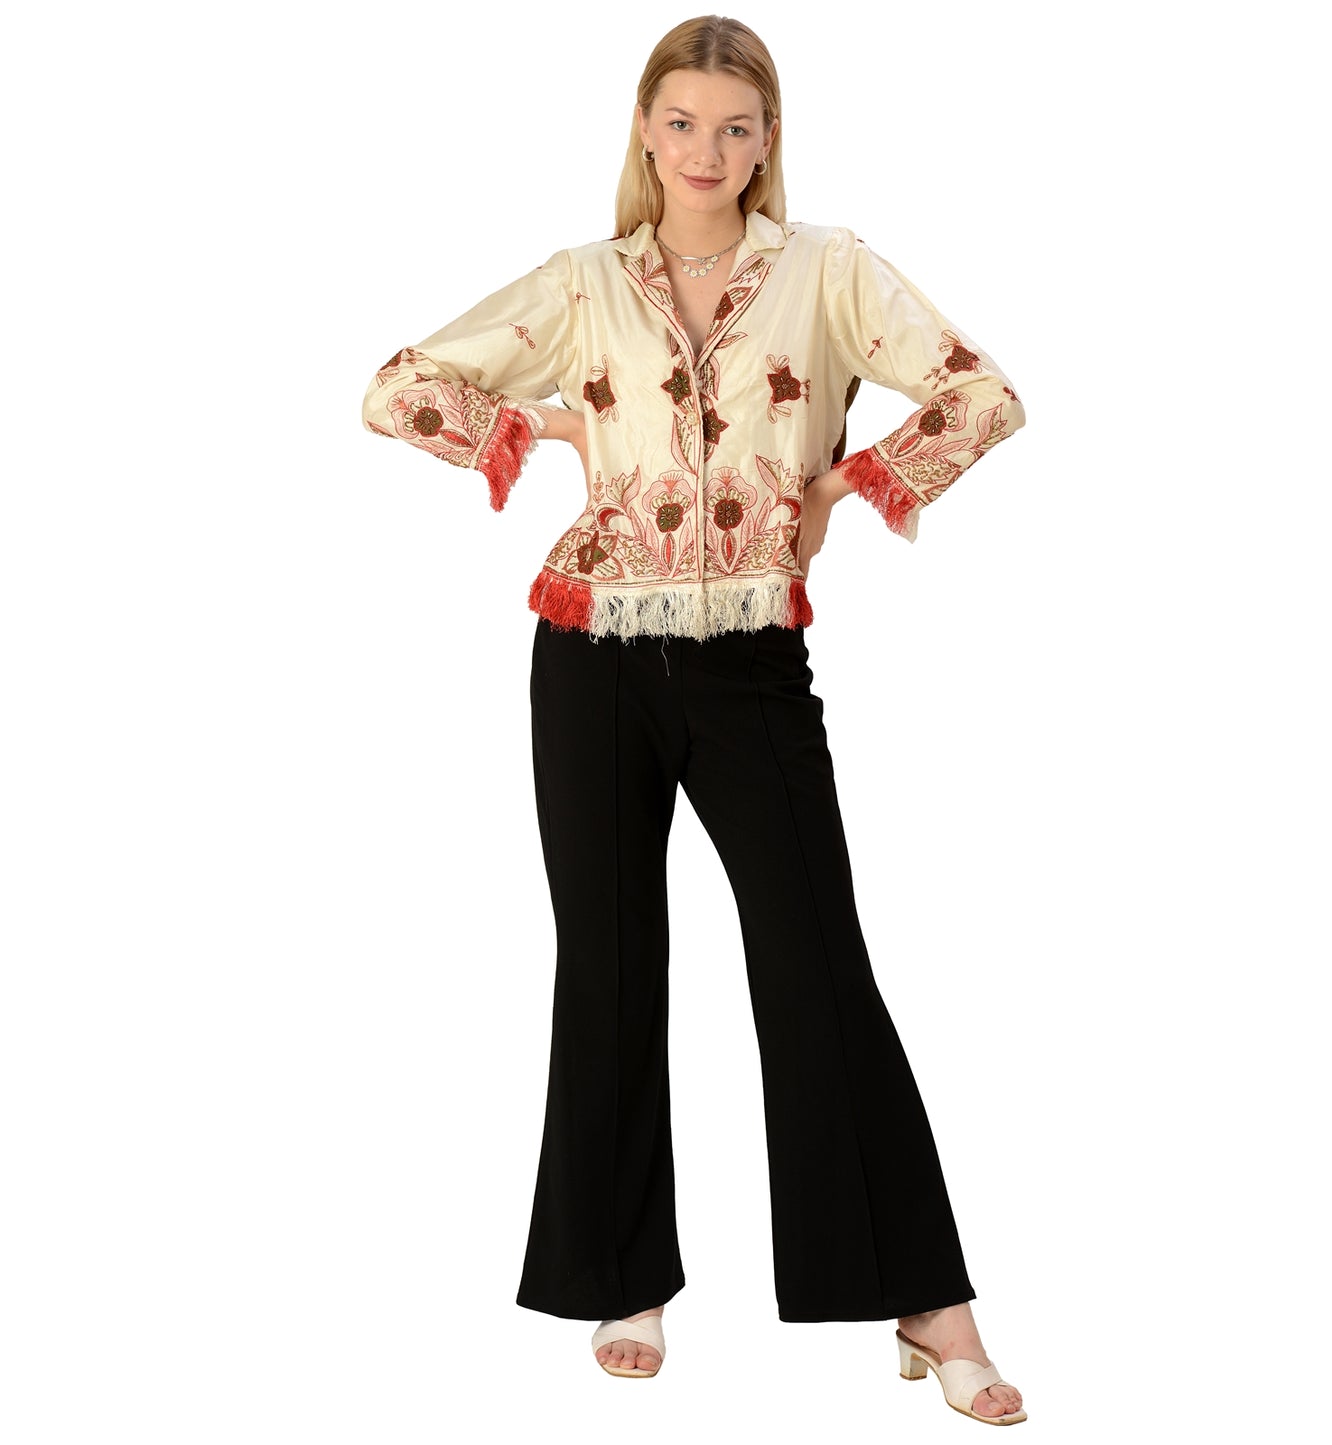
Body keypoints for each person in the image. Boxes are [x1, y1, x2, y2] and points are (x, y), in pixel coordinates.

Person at [360, 14, 1027, 1427]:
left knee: (815, 963)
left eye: (734, 127)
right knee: (608, 967)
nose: (706, 151)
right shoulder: (582, 283)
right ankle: (624, 1276)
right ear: (645, 133)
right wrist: (542, 429)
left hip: (749, 665)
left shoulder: (829, 271)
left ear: (768, 139)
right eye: (681, 124)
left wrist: (842, 485)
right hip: (586, 652)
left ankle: (927, 1298)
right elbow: (397, 388)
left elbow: (981, 394)